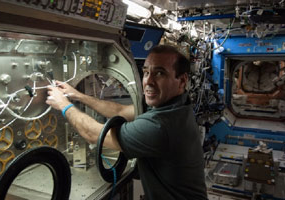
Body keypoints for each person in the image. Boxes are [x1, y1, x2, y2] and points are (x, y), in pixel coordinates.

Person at [46, 45, 207, 200]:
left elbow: (93, 134)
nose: (148, 81)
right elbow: (120, 111)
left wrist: (63, 104)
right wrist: (77, 96)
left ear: (182, 81)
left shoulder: (161, 126)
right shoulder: (176, 106)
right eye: (146, 72)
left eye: (159, 73)